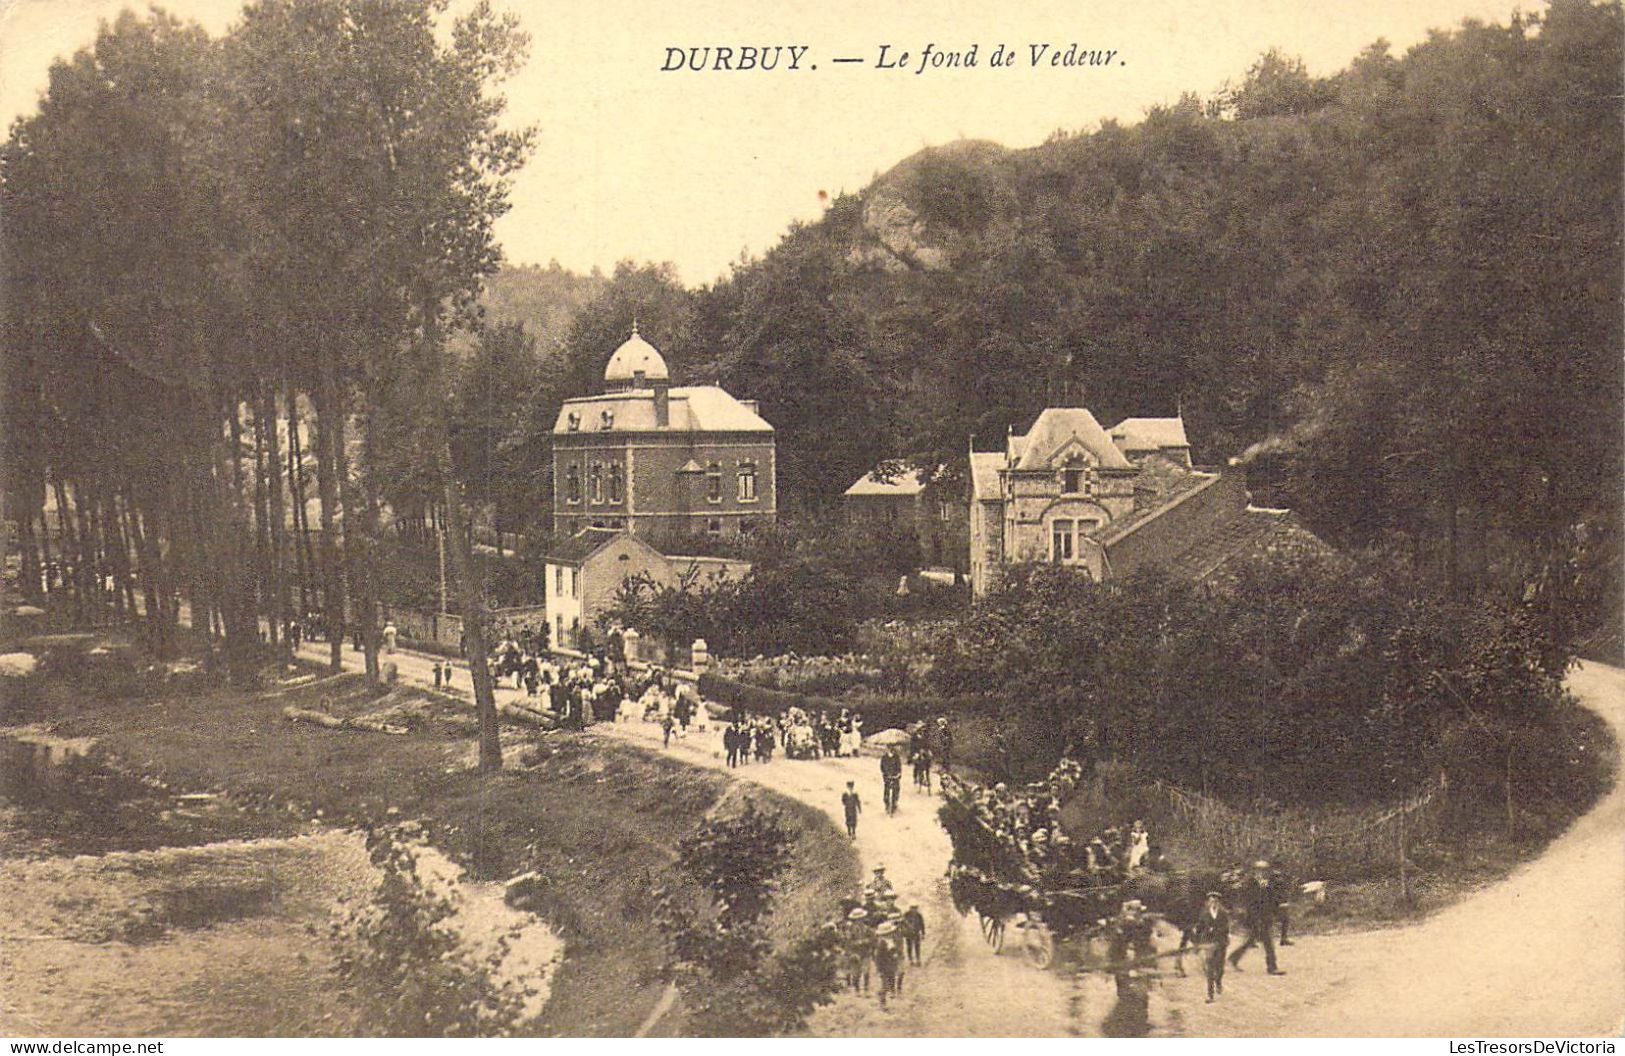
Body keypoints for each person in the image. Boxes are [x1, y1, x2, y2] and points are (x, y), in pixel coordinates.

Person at [1230, 860, 1285, 975]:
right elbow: (1249, 902)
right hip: (1255, 916)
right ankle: (1272, 967)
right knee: (1267, 942)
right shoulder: (1250, 883)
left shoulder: (1267, 883)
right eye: (1261, 870)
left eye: (1265, 870)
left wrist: (1276, 912)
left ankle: (1234, 958)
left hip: (1265, 916)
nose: (1263, 872)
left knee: (1251, 940)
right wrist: (1254, 917)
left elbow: (1271, 899)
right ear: (1255, 870)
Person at [1188, 890, 1232, 1002]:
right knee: (1210, 968)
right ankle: (1210, 994)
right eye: (1212, 901)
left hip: (1221, 942)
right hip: (1208, 943)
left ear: (1218, 902)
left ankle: (1218, 981)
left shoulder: (1223, 913)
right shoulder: (1204, 913)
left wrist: (1216, 930)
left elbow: (1226, 928)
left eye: (1216, 901)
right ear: (1208, 902)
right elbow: (1199, 927)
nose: (1214, 903)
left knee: (1220, 967)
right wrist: (1196, 935)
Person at [872, 922, 902, 1008]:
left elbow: (895, 951)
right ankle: (882, 1002)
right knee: (884, 984)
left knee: (890, 980)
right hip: (884, 966)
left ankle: (886, 995)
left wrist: (895, 954)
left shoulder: (891, 941)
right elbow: (878, 958)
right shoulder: (881, 944)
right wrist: (879, 969)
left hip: (891, 965)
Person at [880, 748, 903, 814]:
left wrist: (898, 774)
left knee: (896, 789)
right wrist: (885, 773)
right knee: (887, 789)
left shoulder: (896, 757)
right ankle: (887, 803)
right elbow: (882, 767)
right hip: (887, 776)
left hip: (895, 776)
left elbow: (899, 766)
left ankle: (895, 801)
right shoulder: (884, 758)